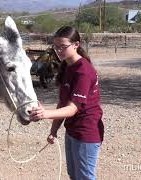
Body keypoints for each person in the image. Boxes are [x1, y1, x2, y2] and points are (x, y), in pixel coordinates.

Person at [30, 26, 104, 180]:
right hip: (72, 131)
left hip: (86, 132)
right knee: (74, 175)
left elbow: (72, 109)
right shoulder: (67, 66)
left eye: (62, 46)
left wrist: (44, 114)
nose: (58, 50)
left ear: (76, 44)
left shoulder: (83, 71)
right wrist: (54, 130)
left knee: (84, 177)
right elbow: (63, 103)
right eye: (55, 47)